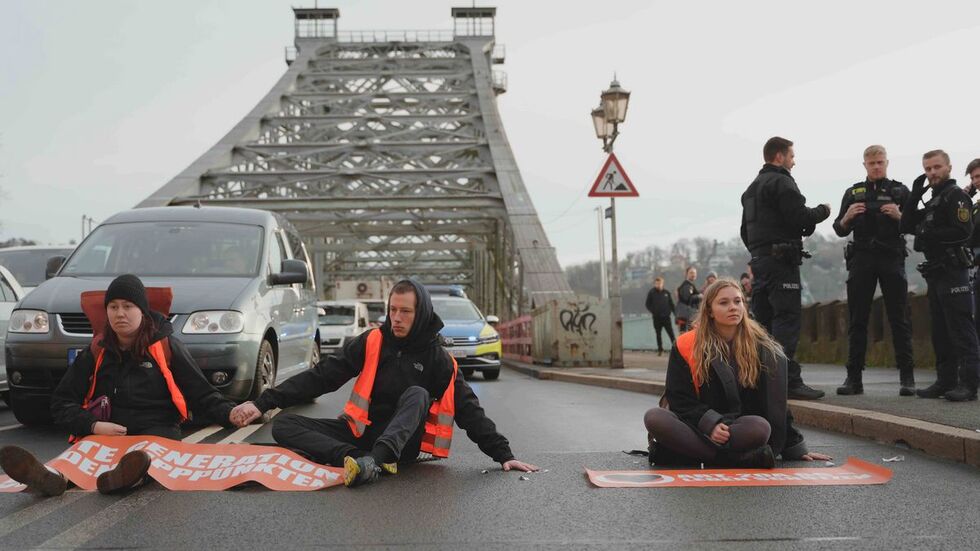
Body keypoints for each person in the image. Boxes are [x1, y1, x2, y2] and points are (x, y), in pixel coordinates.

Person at [230, 279, 539, 488]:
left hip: (399, 449)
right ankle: (353, 459)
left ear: (421, 314)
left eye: (405, 312)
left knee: (417, 393)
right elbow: (322, 376)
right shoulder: (373, 341)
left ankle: (375, 461)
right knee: (285, 426)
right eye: (393, 310)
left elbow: (469, 410)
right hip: (359, 434)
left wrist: (504, 454)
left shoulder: (438, 359)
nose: (396, 318)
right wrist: (262, 403)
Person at [0, 274, 238, 496]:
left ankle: (128, 477)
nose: (120, 313)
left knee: (144, 458)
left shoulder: (167, 347)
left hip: (156, 434)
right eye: (113, 307)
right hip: (105, 435)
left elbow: (202, 394)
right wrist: (93, 425)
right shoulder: (95, 351)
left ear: (142, 312)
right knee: (80, 457)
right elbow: (61, 403)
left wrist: (230, 413)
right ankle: (51, 478)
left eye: (127, 306)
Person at [644, 279, 832, 467]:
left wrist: (796, 447)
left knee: (760, 427)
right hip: (694, 425)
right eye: (723, 303)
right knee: (654, 417)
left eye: (738, 301)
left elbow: (776, 403)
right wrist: (709, 424)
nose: (733, 307)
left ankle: (692, 454)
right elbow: (678, 398)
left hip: (738, 428)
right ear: (709, 310)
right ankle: (729, 458)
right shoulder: (686, 344)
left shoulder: (762, 347)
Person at [740, 136, 831, 400]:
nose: (794, 161)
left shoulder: (751, 189)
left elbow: (745, 231)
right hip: (782, 263)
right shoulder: (782, 181)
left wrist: (760, 253)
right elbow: (800, 218)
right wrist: (823, 211)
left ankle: (763, 381)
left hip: (760, 262)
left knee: (764, 323)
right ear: (779, 157)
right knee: (786, 321)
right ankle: (788, 381)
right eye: (792, 156)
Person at [832, 145, 915, 396]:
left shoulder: (900, 191)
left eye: (880, 162)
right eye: (872, 163)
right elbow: (839, 228)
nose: (876, 166)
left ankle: (907, 378)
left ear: (887, 162)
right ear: (865, 165)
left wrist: (900, 216)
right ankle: (853, 378)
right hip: (863, 259)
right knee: (857, 319)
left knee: (899, 318)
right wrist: (847, 217)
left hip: (891, 257)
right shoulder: (853, 192)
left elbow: (916, 227)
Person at [900, 150, 979, 401]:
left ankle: (969, 384)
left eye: (936, 167)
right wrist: (914, 195)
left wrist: (927, 234)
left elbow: (962, 232)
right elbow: (905, 226)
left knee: (961, 328)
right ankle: (945, 381)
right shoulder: (934, 200)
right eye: (927, 169)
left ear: (949, 168)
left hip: (954, 270)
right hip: (936, 272)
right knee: (940, 330)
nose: (932, 173)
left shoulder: (956, 196)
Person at [961, 158, 980, 341]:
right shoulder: (975, 207)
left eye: (979, 176)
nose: (976, 181)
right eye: (973, 177)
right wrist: (966, 196)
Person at [645, 276, 675, 356]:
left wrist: (675, 314)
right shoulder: (651, 292)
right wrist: (653, 311)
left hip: (666, 317)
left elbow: (671, 304)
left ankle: (676, 349)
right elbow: (647, 304)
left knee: (671, 333)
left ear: (662, 284)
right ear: (655, 284)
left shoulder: (667, 293)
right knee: (658, 334)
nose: (658, 285)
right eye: (657, 284)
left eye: (660, 283)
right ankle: (660, 350)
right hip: (656, 317)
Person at [675, 266, 701, 334]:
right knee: (686, 335)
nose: (693, 274)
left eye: (695, 273)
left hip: (687, 315)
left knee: (688, 335)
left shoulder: (691, 285)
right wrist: (699, 296)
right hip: (686, 315)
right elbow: (687, 299)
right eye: (691, 273)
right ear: (686, 274)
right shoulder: (687, 285)